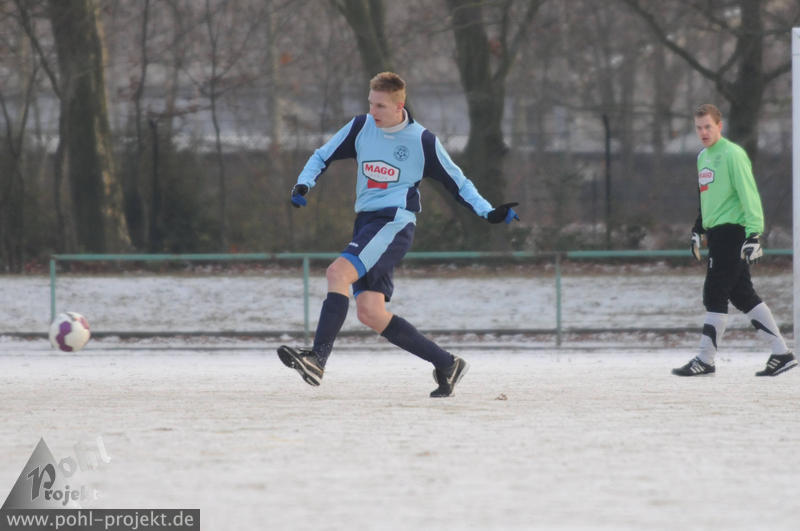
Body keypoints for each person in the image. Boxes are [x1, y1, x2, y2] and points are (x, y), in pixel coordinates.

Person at [277, 72, 520, 397]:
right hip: (367, 223)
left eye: (380, 105)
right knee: (370, 312)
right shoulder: (361, 127)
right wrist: (303, 183)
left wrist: (488, 212)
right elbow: (322, 155)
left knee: (337, 273)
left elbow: (459, 183)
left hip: (394, 222)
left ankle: (317, 359)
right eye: (370, 103)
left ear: (399, 105)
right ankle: (447, 364)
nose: (373, 111)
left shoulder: (422, 141)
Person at [672, 103, 796, 377]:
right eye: (699, 128)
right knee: (742, 295)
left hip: (733, 232)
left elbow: (748, 194)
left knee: (714, 293)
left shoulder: (733, 154)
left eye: (708, 126)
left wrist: (754, 234)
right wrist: (698, 229)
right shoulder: (702, 157)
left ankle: (705, 359)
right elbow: (706, 197)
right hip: (716, 233)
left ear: (719, 126)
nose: (703, 132)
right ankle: (781, 354)